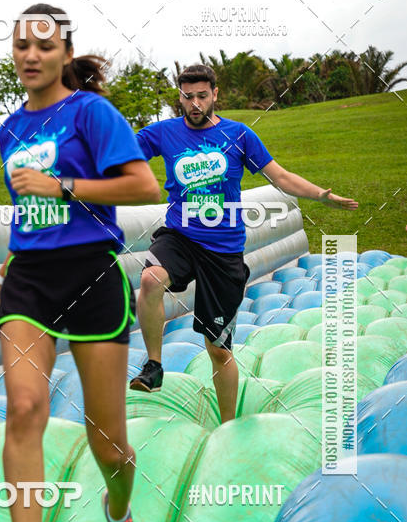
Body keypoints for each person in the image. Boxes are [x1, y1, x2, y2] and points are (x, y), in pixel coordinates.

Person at [0, 3, 160, 522]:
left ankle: (118, 506)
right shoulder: (10, 129)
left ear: (66, 54)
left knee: (108, 444)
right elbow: (27, 219)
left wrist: (64, 186)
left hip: (92, 274)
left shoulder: (92, 113)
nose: (31, 55)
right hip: (29, 280)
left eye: (45, 46)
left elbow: (145, 187)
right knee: (25, 407)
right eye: (22, 45)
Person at [130, 63, 358, 422]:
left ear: (215, 94)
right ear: (180, 97)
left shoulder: (239, 135)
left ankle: (228, 424)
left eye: (202, 95)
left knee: (218, 350)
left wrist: (320, 195)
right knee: (150, 279)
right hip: (181, 236)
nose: (195, 103)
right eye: (187, 96)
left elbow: (280, 176)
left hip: (223, 252)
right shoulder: (163, 132)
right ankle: (154, 366)